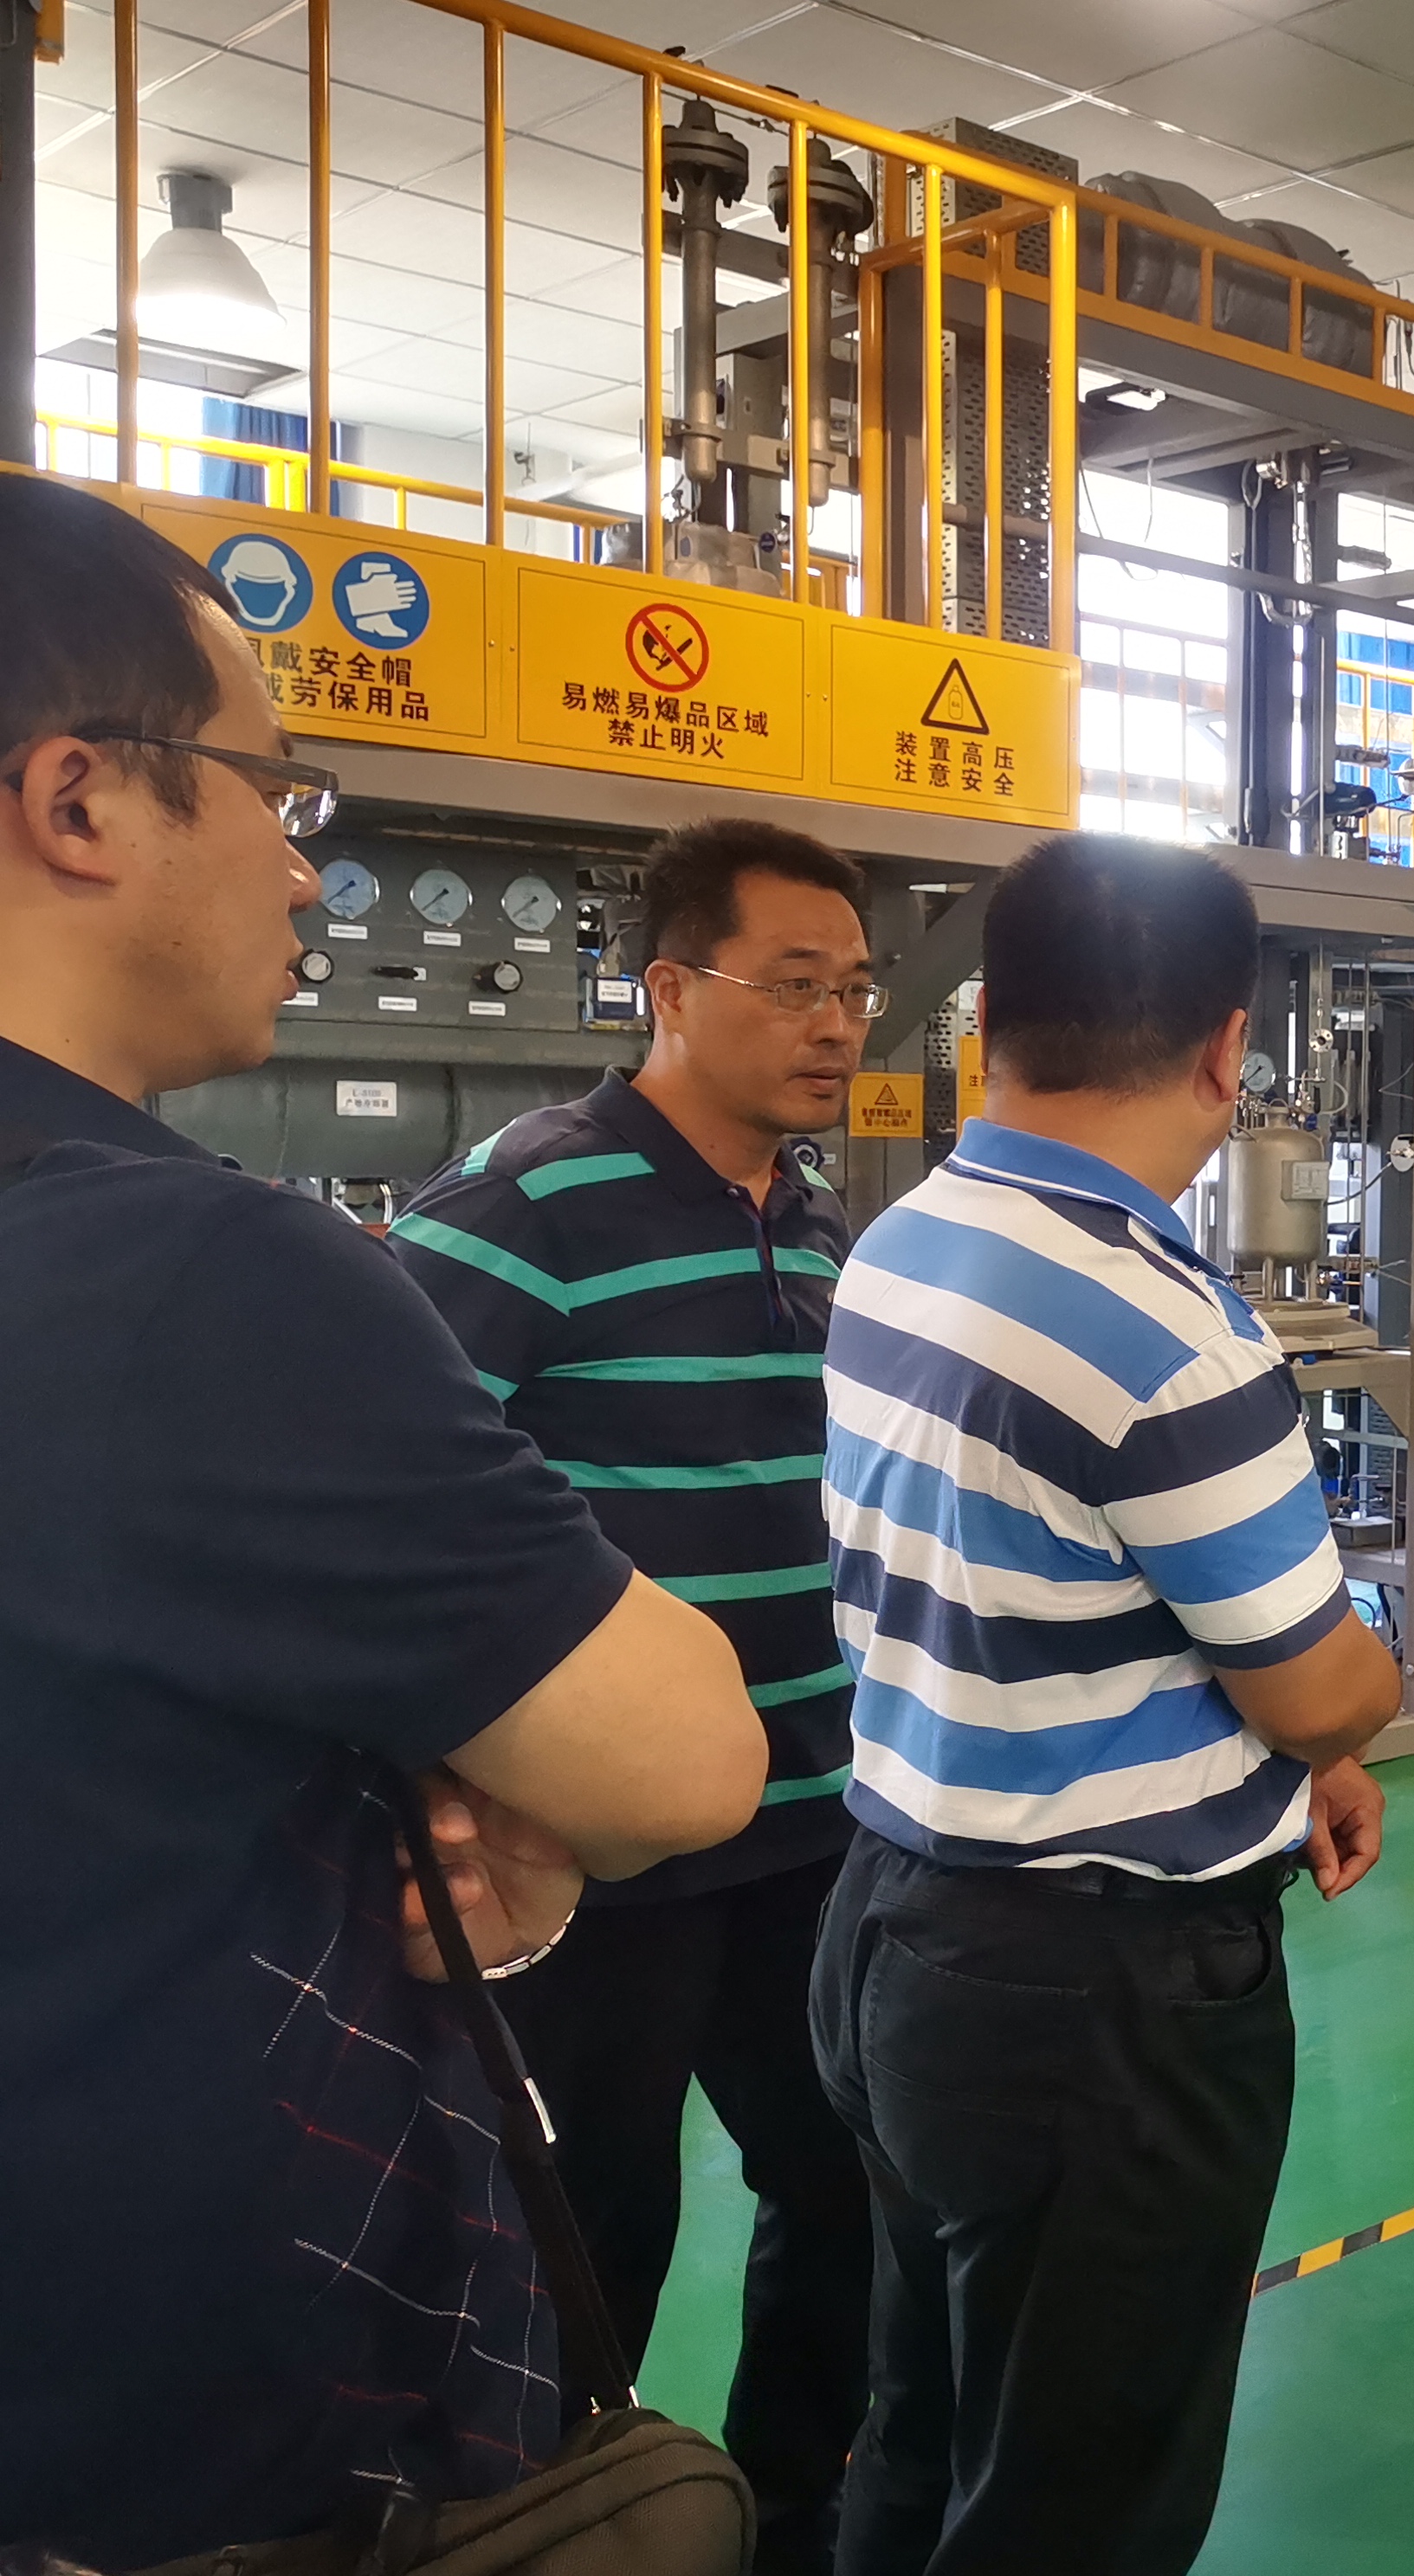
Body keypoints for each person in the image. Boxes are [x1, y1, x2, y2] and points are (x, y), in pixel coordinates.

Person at [0, 479, 764, 2565]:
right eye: (274, 789)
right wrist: (452, 1780)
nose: (301, 865)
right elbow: (681, 1757)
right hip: (185, 2442)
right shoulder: (193, 1272)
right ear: (80, 800)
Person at [811, 834, 1404, 2576]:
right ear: (1227, 1050)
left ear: (992, 1018)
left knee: (923, 2432)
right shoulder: (1168, 1333)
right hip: (1094, 2006)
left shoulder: (903, 1241)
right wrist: (1341, 1713)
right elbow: (1322, 1687)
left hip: (900, 1925)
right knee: (1082, 2498)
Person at [390, 817, 879, 2574]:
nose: (838, 1026)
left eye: (856, 992)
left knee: (846, 2181)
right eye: (796, 986)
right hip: (600, 1841)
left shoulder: (816, 1225)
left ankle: (796, 2510)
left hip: (810, 1814)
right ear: (671, 987)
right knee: (589, 2225)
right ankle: (555, 2524)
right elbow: (388, 1479)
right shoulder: (526, 1204)